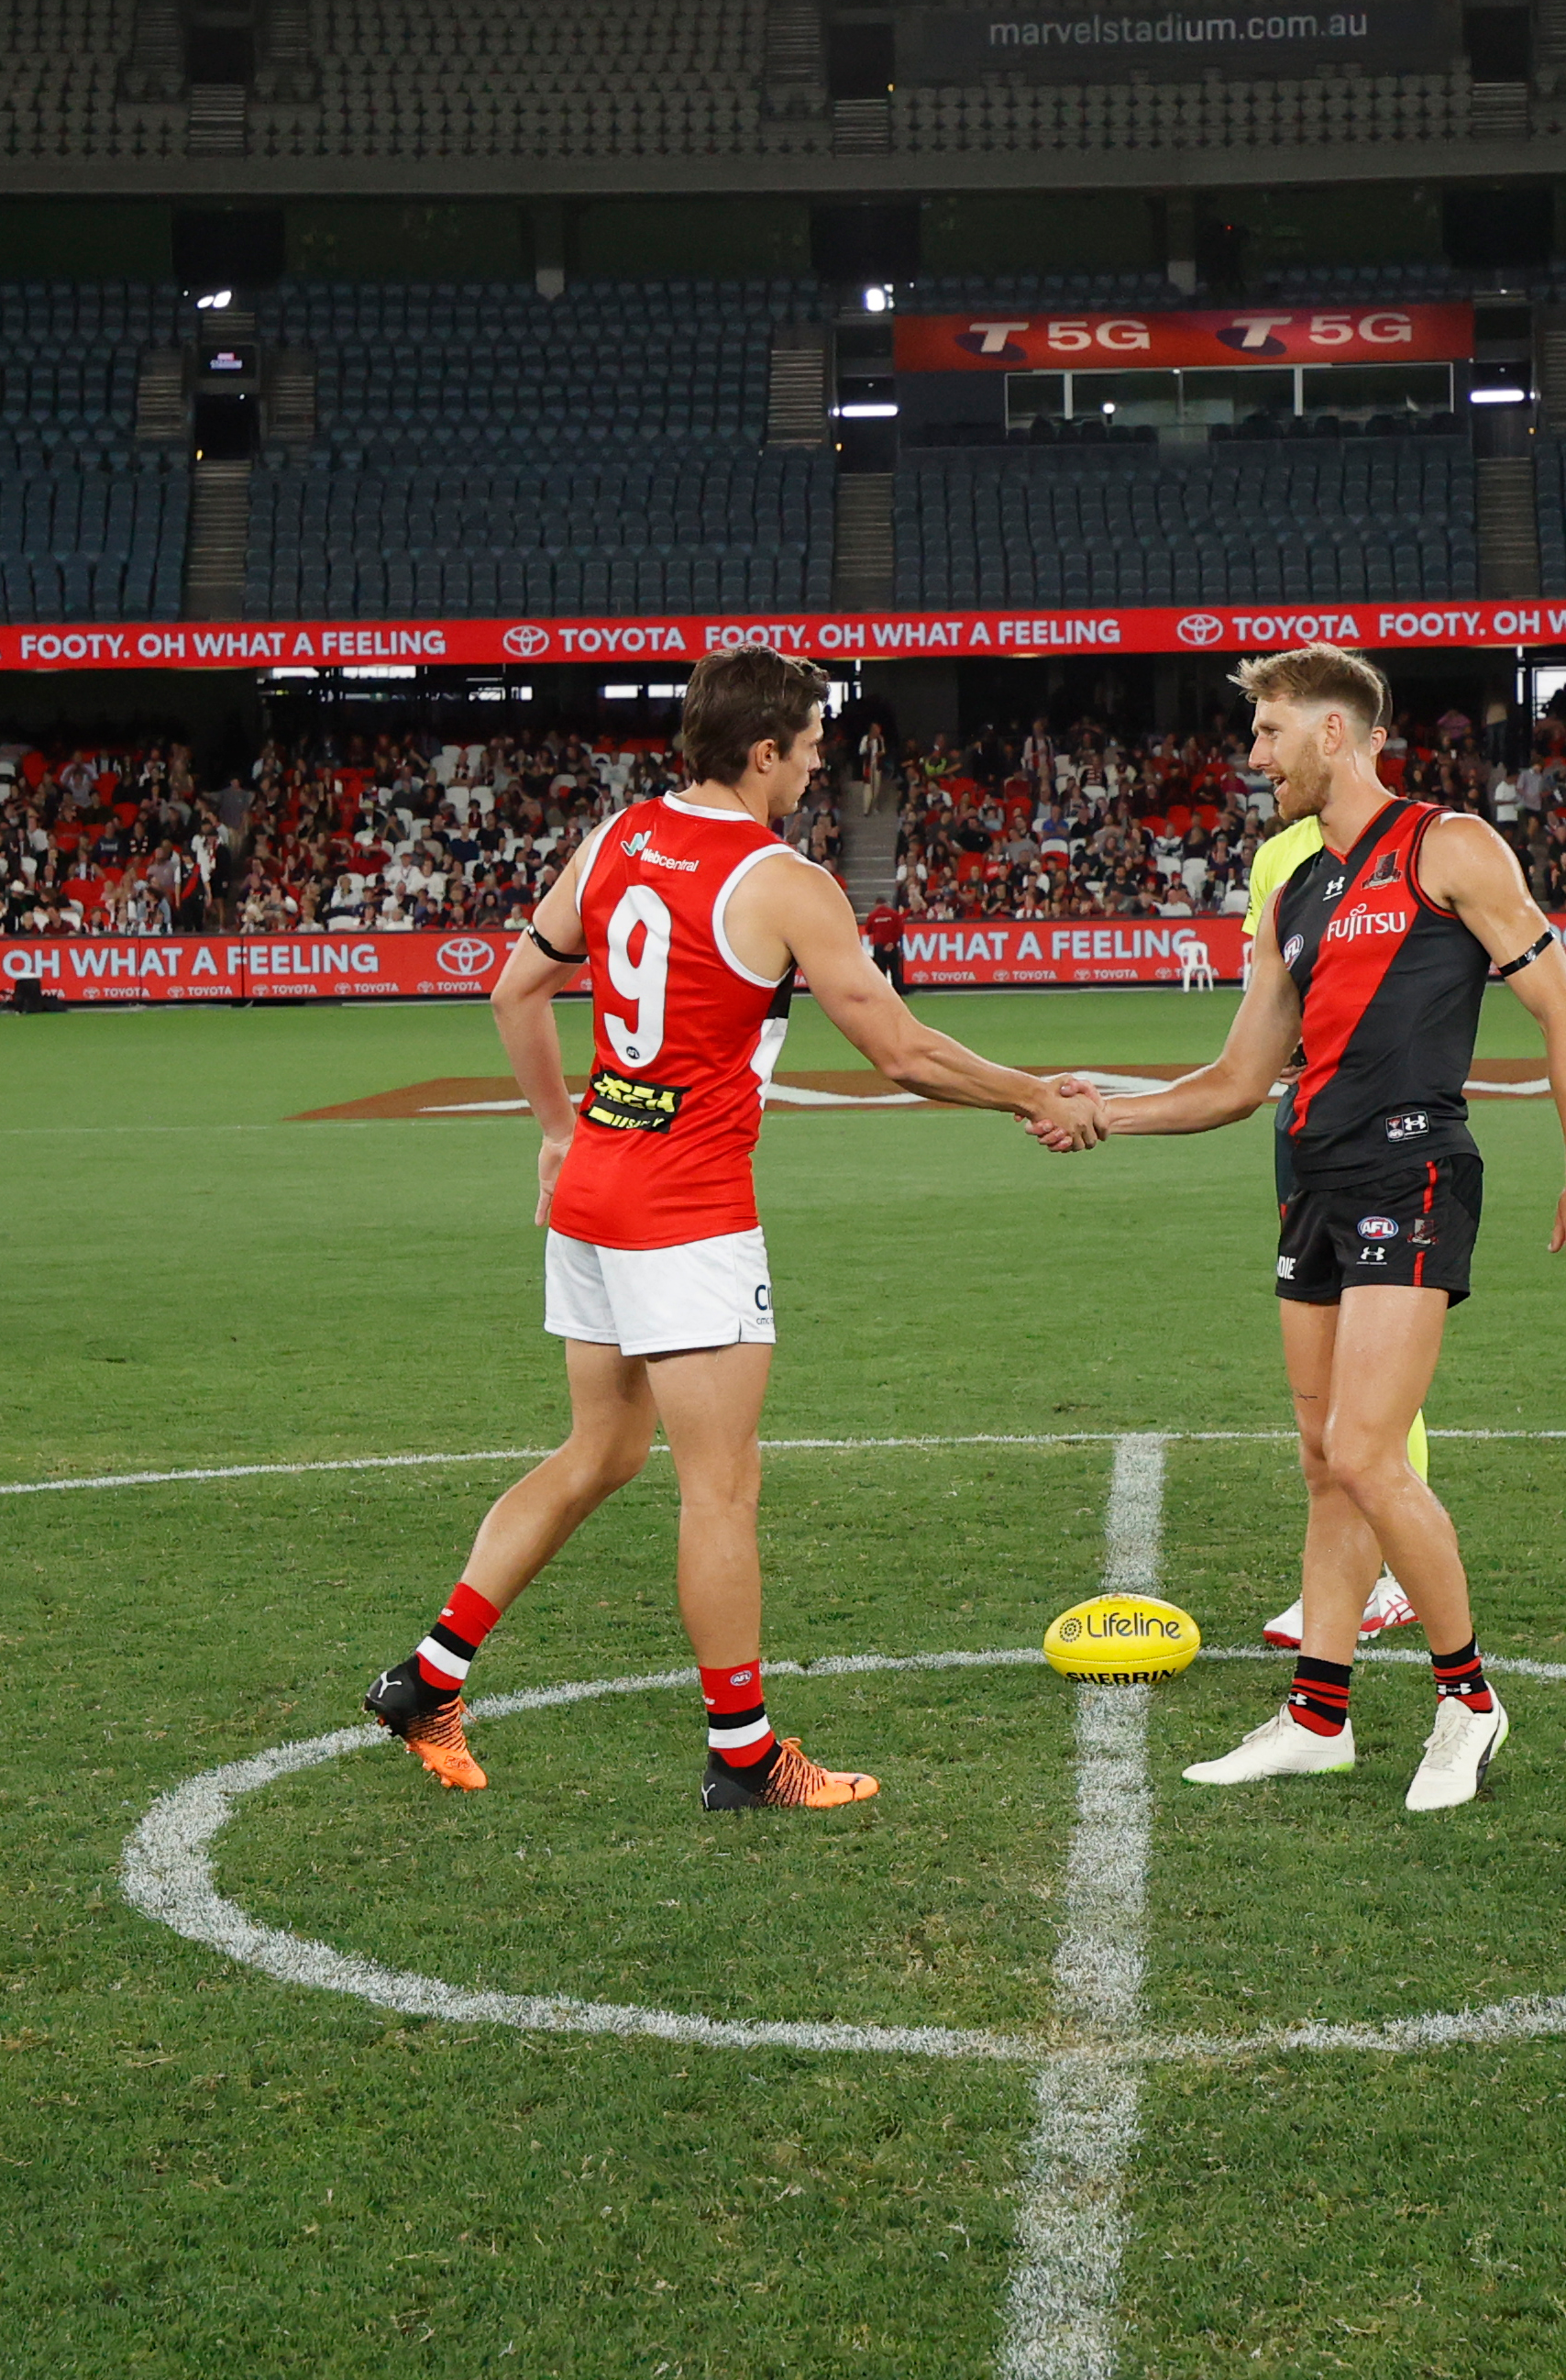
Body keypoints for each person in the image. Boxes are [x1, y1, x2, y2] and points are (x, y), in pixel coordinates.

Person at [364, 648, 1106, 1812]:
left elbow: (514, 989)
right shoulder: (781, 880)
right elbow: (900, 1050)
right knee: (720, 1490)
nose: (820, 766)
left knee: (600, 1453)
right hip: (685, 1209)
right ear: (761, 749)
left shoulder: (613, 840)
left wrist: (559, 1130)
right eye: (811, 745)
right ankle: (746, 1754)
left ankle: (428, 1677)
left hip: (600, 1187)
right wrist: (1036, 1095)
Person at [1079, 645, 1566, 1813]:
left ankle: (1468, 1703)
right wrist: (1102, 1116)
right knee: (1327, 1465)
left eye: (1269, 734)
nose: (1253, 757)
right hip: (1315, 1187)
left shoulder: (1450, 847)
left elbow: (1563, 1008)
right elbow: (1236, 1082)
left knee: (1373, 1453)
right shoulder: (1296, 891)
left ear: (1336, 734)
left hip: (1414, 1173)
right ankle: (1317, 1718)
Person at [1241, 809, 1421, 1655]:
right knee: (1328, 1442)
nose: (1255, 753)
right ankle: (1323, 1691)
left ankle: (1409, 1602)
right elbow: (1269, 1018)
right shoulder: (1281, 867)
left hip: (1396, 1151)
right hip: (1306, 1131)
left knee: (1363, 1428)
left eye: (1270, 731)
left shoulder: (1429, 848)